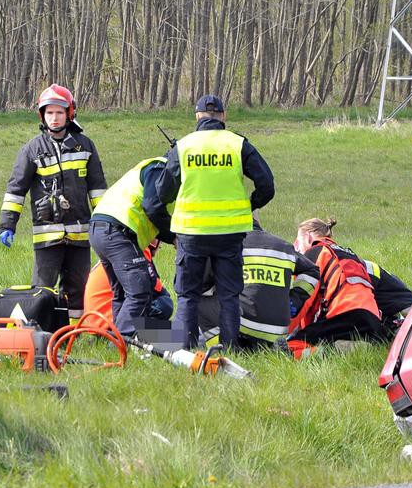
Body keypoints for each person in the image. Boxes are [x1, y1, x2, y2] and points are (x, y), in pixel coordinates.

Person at [152, 94, 275, 350]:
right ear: (223, 116)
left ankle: (184, 351)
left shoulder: (184, 146)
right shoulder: (238, 144)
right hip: (230, 233)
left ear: (197, 116)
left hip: (191, 232)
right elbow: (267, 185)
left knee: (188, 295)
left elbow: (162, 192)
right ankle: (230, 349)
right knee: (229, 295)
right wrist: (248, 205)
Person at [0, 84, 106, 322]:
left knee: (79, 290)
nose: (54, 118)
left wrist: (105, 224)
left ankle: (74, 335)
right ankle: (40, 334)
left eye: (59, 112)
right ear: (42, 115)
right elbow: (16, 190)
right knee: (42, 290)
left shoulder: (85, 146)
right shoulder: (32, 150)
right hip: (47, 237)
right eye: (49, 113)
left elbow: (98, 189)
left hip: (79, 236)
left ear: (70, 113)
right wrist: (7, 225)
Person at [198, 216, 318, 351]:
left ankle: (224, 350)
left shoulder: (230, 245)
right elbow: (312, 270)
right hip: (278, 330)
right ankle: (267, 349)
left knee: (196, 302)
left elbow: (200, 285)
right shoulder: (284, 246)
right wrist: (295, 300)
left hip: (243, 323)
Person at [89, 155, 175, 338]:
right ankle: (124, 342)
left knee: (121, 294)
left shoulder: (144, 167)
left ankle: (116, 342)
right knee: (141, 293)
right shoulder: (160, 168)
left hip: (99, 228)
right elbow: (152, 208)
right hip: (117, 231)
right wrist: (174, 237)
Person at [288, 217, 390, 347]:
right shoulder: (350, 254)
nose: (296, 249)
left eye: (297, 243)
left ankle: (337, 349)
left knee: (291, 346)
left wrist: (283, 333)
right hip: (372, 322)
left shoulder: (314, 252)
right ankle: (360, 345)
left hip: (344, 318)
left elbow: (303, 301)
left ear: (308, 237)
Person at [82, 240, 173, 332]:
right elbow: (156, 288)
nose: (161, 244)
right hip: (108, 323)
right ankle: (135, 336)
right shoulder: (139, 250)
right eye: (160, 240)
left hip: (97, 322)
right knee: (164, 304)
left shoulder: (124, 248)